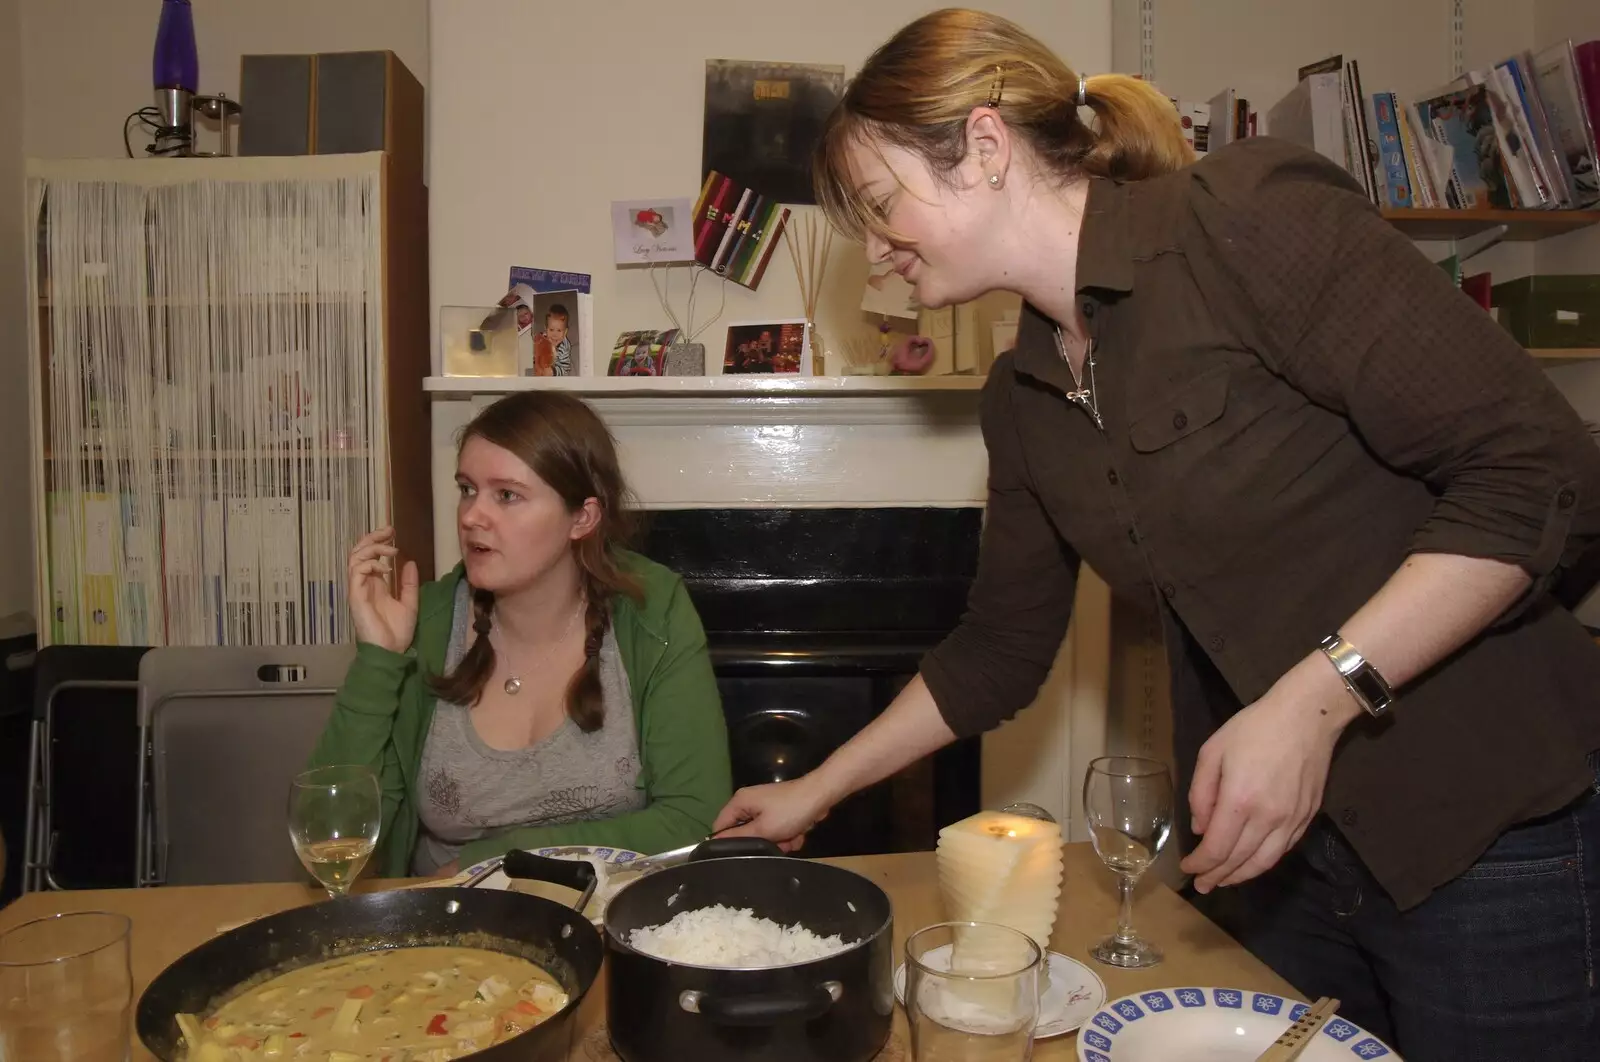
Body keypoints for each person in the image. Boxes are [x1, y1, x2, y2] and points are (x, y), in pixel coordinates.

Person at [712, 9, 1600, 1060]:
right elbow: (996, 654)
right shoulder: (1023, 396)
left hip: (1489, 828)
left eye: (877, 204)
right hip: (1281, 868)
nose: (875, 247)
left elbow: (1542, 471)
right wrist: (814, 788)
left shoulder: (1246, 222)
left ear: (984, 149)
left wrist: (1312, 707)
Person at [308, 391, 731, 878]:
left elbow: (694, 819)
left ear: (583, 518)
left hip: (610, 921)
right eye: (467, 488)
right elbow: (329, 834)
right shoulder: (429, 623)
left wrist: (494, 862)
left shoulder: (650, 613)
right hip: (451, 929)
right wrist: (379, 660)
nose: (471, 516)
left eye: (506, 495)